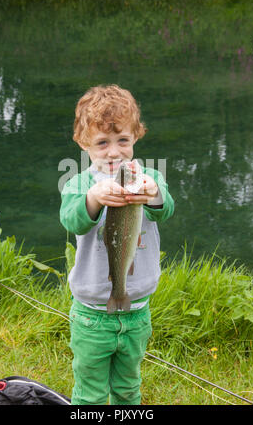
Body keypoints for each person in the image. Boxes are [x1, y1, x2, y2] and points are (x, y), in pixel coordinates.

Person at [60, 84, 174, 405]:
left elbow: (167, 210)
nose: (114, 152)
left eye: (123, 140)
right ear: (84, 144)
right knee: (91, 392)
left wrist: (153, 193)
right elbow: (72, 220)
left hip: (138, 310)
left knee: (128, 387)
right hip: (90, 314)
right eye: (102, 143)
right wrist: (93, 199)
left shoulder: (150, 177)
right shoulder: (79, 183)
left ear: (136, 136)